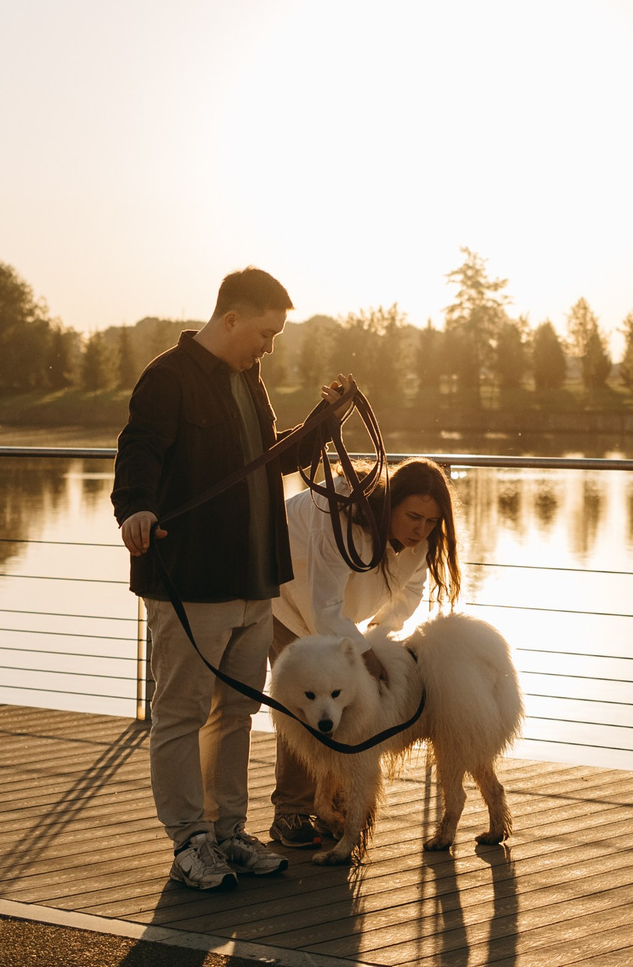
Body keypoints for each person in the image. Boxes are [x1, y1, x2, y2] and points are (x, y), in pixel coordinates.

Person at [114, 267, 298, 892]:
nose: (269, 346)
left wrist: (323, 426)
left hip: (253, 577)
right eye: (266, 333)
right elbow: (137, 448)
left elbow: (269, 461)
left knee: (238, 712)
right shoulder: (166, 378)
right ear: (231, 320)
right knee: (182, 712)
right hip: (190, 579)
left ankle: (228, 834)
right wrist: (134, 506)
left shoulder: (249, 380)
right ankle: (189, 840)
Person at [265, 452, 461, 848]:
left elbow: (408, 591)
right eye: (413, 518)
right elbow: (323, 608)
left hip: (337, 613)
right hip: (287, 599)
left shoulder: (419, 539)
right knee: (304, 704)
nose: (422, 529)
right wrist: (363, 652)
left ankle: (335, 807)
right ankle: (291, 811)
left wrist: (375, 639)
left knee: (350, 703)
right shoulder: (339, 516)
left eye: (431, 521)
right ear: (390, 503)